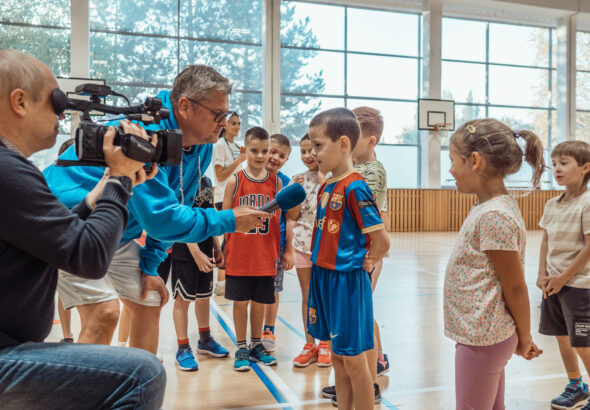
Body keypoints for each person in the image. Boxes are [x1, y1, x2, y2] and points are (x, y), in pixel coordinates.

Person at [43, 64, 269, 354]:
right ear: (185, 107)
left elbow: (177, 204)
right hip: (70, 224)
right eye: (217, 115)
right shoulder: (142, 133)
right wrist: (229, 219)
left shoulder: (202, 145)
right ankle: (84, 396)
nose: (223, 123)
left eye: (225, 115)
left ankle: (137, 389)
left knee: (150, 299)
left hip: (117, 233)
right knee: (105, 314)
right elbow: (162, 219)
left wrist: (151, 266)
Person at [0, 49, 165, 409]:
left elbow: (56, 238)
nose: (63, 114)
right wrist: (120, 180)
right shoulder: (7, 171)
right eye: (55, 101)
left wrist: (100, 194)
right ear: (20, 101)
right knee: (142, 373)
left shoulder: (9, 168)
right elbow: (87, 258)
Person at [444, 119, 544, 410]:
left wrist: (524, 338)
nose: (449, 170)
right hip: (482, 335)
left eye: (452, 160)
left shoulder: (494, 215)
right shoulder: (487, 207)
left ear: (474, 161)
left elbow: (515, 286)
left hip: (482, 339)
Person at [306, 107, 390, 409]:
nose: (313, 152)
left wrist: (368, 261)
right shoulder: (327, 184)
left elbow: (381, 240)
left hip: (346, 282)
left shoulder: (356, 185)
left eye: (318, 145)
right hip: (323, 277)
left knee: (356, 364)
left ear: (343, 144)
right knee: (338, 361)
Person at [536, 141, 590, 410]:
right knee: (561, 336)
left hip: (579, 285)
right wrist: (542, 274)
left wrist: (564, 276)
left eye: (564, 163)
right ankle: (576, 385)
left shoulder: (587, 203)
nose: (556, 168)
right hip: (553, 285)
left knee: (583, 342)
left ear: (585, 168)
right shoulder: (551, 205)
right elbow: (546, 241)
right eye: (554, 163)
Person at [223, 126, 282, 371]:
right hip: (239, 255)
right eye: (255, 150)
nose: (260, 156)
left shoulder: (276, 182)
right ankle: (241, 346)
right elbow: (225, 218)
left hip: (265, 255)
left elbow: (284, 218)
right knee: (240, 302)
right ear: (245, 150)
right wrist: (222, 248)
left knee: (260, 302)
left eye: (265, 151)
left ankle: (257, 344)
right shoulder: (235, 181)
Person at [172, 175, 229, 371]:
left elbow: (209, 214)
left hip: (205, 247)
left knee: (204, 298)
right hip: (185, 250)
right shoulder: (180, 178)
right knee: (182, 300)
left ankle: (205, 340)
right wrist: (195, 252)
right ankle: (182, 347)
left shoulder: (205, 180)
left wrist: (216, 245)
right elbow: (179, 218)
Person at [290, 134, 331, 368]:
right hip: (302, 245)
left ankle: (326, 343)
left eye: (312, 150)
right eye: (303, 151)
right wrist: (294, 196)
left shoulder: (333, 179)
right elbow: (293, 216)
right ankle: (309, 344)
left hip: (325, 247)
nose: (308, 156)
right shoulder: (298, 180)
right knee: (307, 295)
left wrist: (325, 178)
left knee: (323, 296)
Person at [262, 133, 295, 352]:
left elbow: (290, 217)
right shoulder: (247, 177)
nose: (275, 157)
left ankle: (269, 329)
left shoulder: (284, 182)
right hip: (252, 243)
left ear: (286, 160)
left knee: (273, 290)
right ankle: (253, 332)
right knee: (252, 289)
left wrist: (289, 249)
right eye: (272, 151)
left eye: (281, 155)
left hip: (276, 244)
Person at [212, 112, 245, 296]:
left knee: (235, 239)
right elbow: (220, 175)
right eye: (233, 123)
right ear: (225, 126)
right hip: (224, 196)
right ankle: (220, 282)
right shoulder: (219, 145)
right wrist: (239, 161)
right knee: (229, 239)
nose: (237, 127)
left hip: (236, 196)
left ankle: (231, 278)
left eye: (239, 123)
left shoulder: (236, 146)